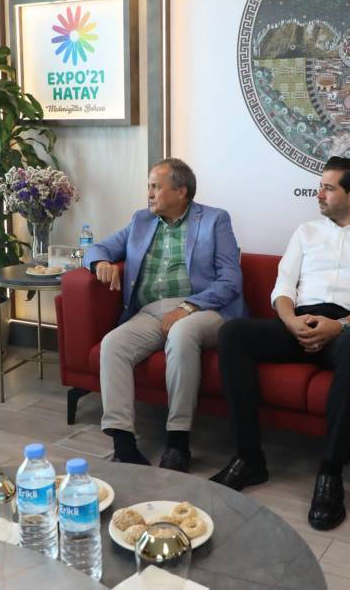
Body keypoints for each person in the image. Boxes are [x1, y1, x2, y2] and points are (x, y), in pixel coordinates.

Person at [210, 156, 350, 531]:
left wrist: (340, 326)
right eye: (320, 187)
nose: (319, 194)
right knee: (233, 334)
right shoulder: (306, 232)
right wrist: (291, 322)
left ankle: (331, 473)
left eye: (328, 188)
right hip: (299, 322)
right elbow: (283, 287)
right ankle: (249, 458)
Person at [83, 158, 244, 472]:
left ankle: (178, 441)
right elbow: (97, 247)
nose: (149, 194)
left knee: (182, 333)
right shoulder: (141, 220)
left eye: (156, 187)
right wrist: (100, 262)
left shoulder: (215, 220)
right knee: (113, 344)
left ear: (181, 191)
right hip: (151, 312)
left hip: (205, 308)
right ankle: (124, 445)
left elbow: (230, 280)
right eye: (149, 187)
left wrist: (187, 308)